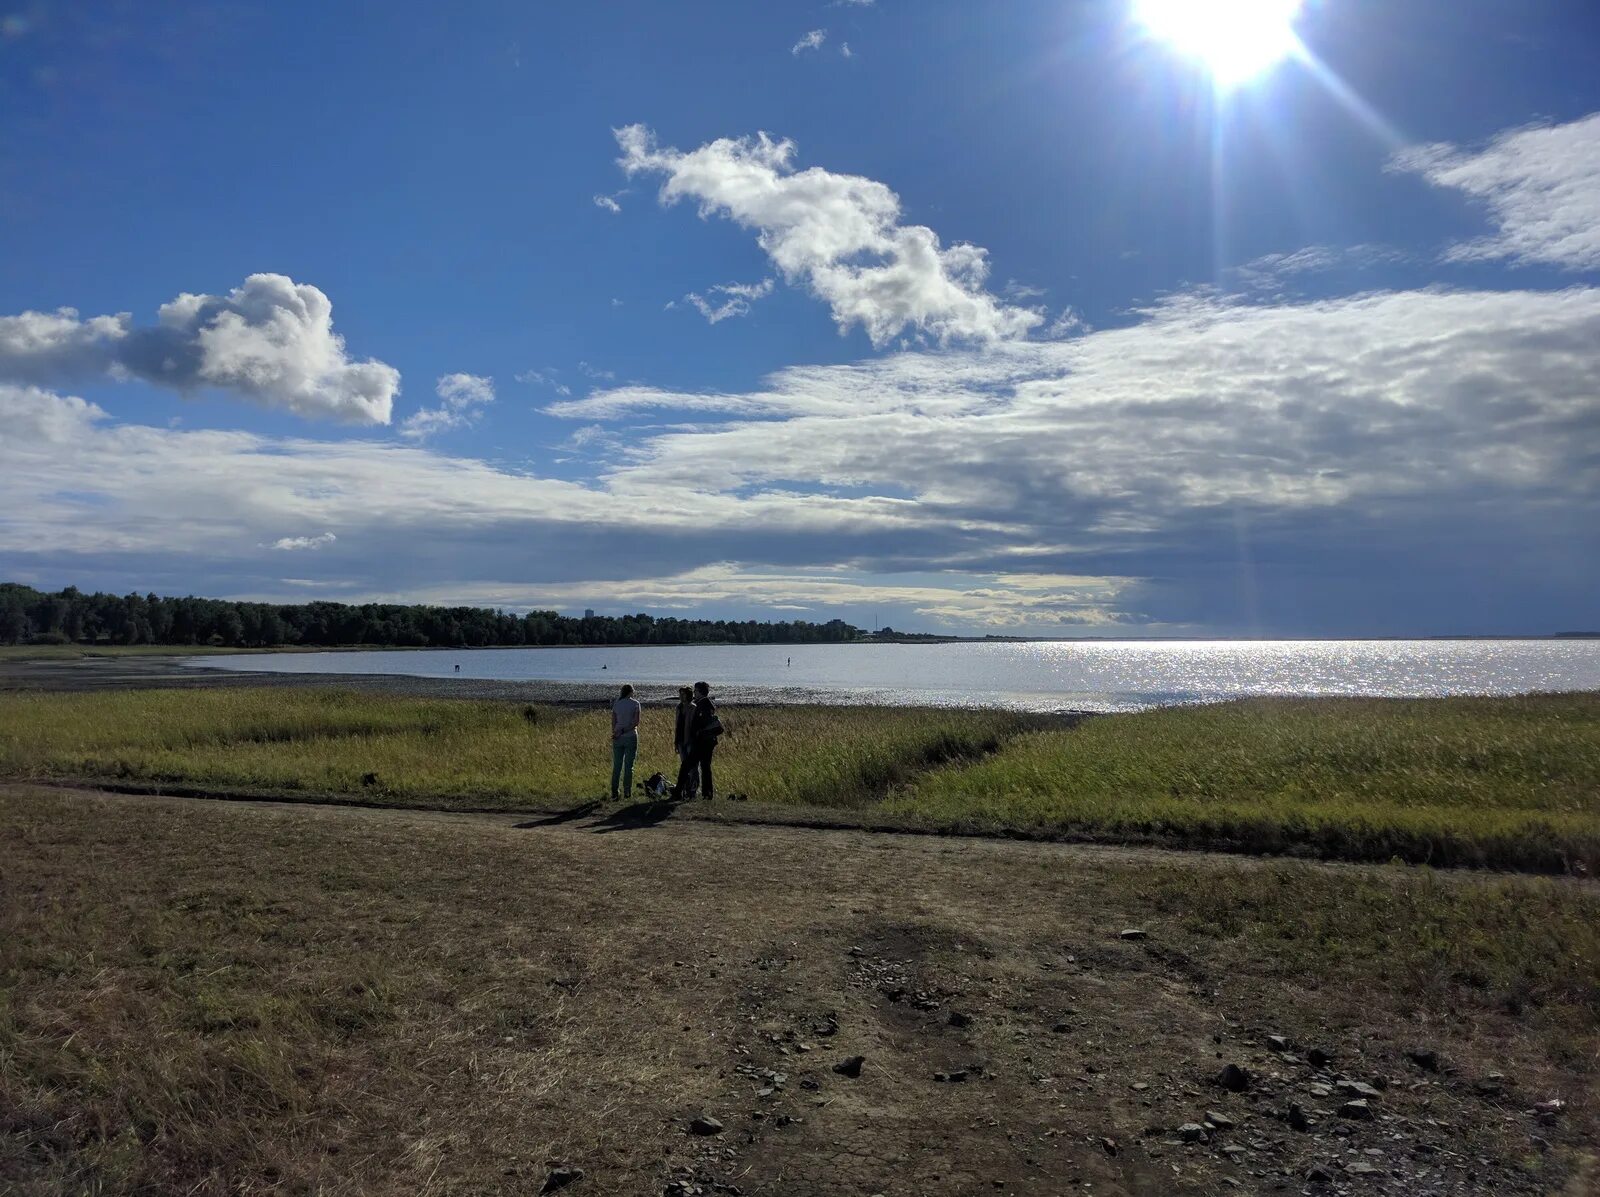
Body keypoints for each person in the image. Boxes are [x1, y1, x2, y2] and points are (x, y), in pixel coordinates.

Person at [686, 680, 724, 801]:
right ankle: (703, 792)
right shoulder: (705, 703)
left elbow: (702, 722)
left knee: (702, 766)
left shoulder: (703, 704)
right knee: (703, 766)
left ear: (700, 692)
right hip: (706, 740)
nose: (694, 693)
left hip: (704, 740)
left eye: (695, 691)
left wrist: (696, 731)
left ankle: (704, 793)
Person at [609, 683, 641, 801]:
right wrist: (623, 730)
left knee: (617, 765)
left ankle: (614, 791)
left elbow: (613, 721)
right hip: (630, 736)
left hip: (617, 737)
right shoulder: (636, 704)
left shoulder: (616, 703)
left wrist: (616, 732)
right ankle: (627, 791)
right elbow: (635, 723)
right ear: (631, 692)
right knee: (629, 766)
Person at [672, 685, 698, 799]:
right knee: (684, 766)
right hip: (680, 740)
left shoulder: (693, 708)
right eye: (680, 694)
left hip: (690, 741)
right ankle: (685, 789)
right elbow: (677, 725)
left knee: (692, 767)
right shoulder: (678, 708)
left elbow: (693, 726)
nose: (681, 697)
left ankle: (693, 791)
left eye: (683, 694)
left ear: (688, 695)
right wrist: (676, 742)